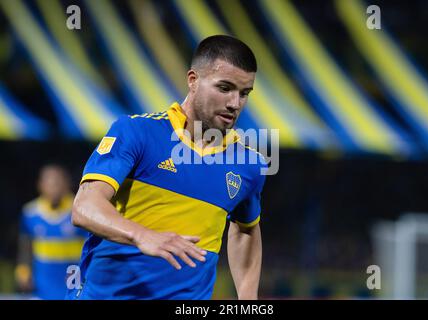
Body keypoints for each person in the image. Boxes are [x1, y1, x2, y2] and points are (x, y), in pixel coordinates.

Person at [67, 35, 267, 300]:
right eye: (225, 88)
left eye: (244, 93)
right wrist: (142, 235)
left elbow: (245, 230)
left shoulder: (249, 164)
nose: (235, 103)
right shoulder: (137, 132)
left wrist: (247, 298)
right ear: (193, 81)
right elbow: (85, 207)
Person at [15, 164, 87, 300]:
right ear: (40, 185)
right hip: (42, 287)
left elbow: (90, 246)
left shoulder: (80, 210)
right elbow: (25, 246)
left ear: (67, 184)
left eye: (57, 183)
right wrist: (23, 271)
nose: (53, 188)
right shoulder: (30, 213)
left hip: (73, 286)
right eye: (49, 183)